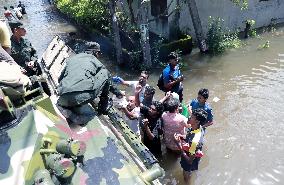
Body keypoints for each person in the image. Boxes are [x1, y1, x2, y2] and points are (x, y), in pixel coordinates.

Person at [57, 53, 124, 121]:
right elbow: (104, 96)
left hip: (62, 92)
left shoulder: (75, 57)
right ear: (97, 53)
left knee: (67, 100)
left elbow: (59, 79)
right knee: (91, 115)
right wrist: (102, 111)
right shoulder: (102, 69)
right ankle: (70, 115)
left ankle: (62, 105)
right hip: (78, 99)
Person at [174, 108, 208, 183]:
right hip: (193, 151)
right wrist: (182, 136)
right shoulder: (198, 128)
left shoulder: (195, 141)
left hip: (189, 158)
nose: (189, 117)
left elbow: (189, 161)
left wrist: (178, 144)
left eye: (192, 117)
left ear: (197, 121)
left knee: (186, 173)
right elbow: (189, 136)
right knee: (191, 169)